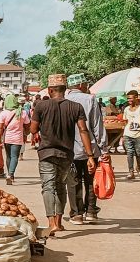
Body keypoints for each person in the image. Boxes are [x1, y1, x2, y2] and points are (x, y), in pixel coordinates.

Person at [30, 74, 95, 236]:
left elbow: (32, 130)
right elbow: (83, 130)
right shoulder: (76, 107)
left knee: (48, 187)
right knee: (60, 187)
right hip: (67, 154)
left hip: (46, 153)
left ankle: (51, 223)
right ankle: (58, 222)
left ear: (50, 90)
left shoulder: (41, 106)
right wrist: (90, 156)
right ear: (65, 90)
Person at [66, 74, 107, 224]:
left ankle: (77, 214)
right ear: (81, 85)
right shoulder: (90, 99)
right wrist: (104, 148)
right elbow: (97, 126)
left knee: (73, 181)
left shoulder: (66, 100)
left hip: (71, 149)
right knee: (90, 181)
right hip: (92, 148)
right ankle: (91, 211)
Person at [0, 93, 29, 185]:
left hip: (7, 138)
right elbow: (27, 125)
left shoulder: (3, 113)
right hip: (18, 138)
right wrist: (26, 133)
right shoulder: (22, 112)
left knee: (8, 156)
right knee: (15, 156)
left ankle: (10, 174)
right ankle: (11, 174)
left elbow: (0, 128)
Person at [121, 89, 140, 179]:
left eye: (131, 98)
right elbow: (125, 122)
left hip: (139, 135)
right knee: (129, 153)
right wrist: (123, 134)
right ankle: (131, 171)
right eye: (128, 99)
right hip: (128, 134)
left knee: (139, 153)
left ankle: (138, 167)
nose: (129, 100)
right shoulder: (126, 109)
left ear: (136, 97)